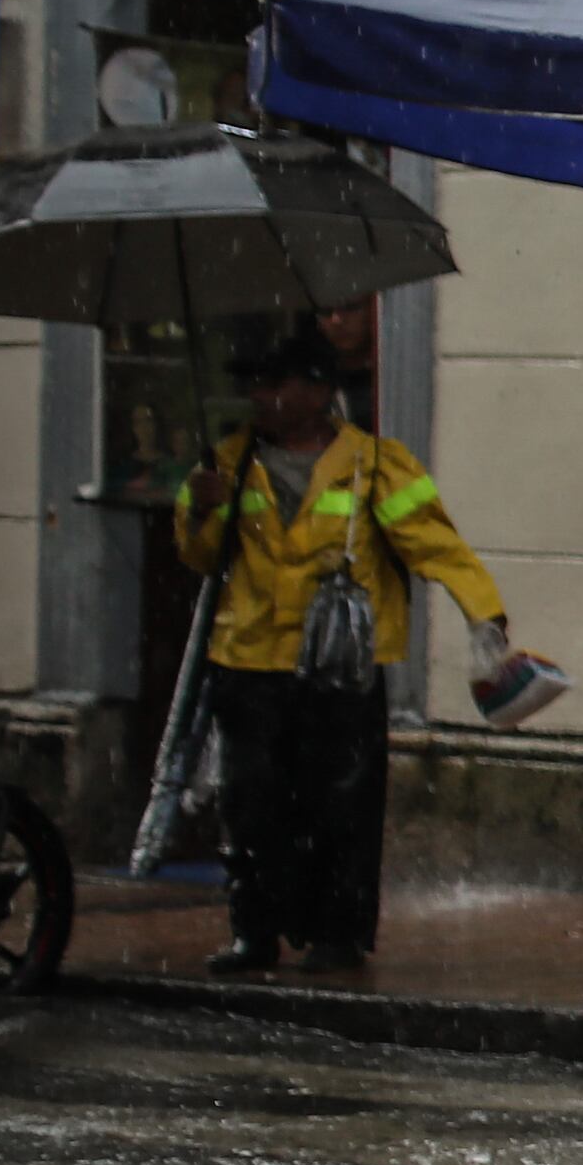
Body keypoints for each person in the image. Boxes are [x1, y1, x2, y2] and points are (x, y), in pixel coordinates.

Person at [167, 324, 522, 975]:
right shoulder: (224, 463)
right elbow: (199, 558)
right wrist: (201, 512)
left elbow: (434, 543)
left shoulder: (376, 464)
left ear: (317, 390)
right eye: (254, 384)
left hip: (340, 671)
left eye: (274, 383)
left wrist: (482, 610)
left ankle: (338, 933)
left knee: (340, 808)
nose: (260, 397)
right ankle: (255, 933)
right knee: (251, 807)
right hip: (249, 664)